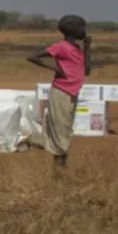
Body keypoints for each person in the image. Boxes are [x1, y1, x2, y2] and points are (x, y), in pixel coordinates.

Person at [28, 15, 92, 168]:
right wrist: (56, 69)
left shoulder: (77, 49)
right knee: (60, 128)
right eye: (81, 27)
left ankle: (54, 155)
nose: (84, 31)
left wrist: (87, 49)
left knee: (65, 127)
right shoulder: (61, 46)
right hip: (61, 92)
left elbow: (87, 71)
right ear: (71, 30)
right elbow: (34, 57)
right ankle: (60, 166)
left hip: (72, 93)